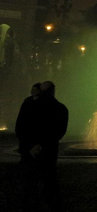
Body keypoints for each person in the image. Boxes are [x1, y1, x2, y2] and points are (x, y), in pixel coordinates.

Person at [15, 81, 68, 212]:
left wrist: (30, 147)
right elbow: (58, 132)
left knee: (28, 185)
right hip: (48, 152)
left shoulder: (28, 105)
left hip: (29, 152)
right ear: (53, 91)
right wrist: (42, 145)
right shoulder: (60, 108)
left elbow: (20, 128)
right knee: (50, 184)